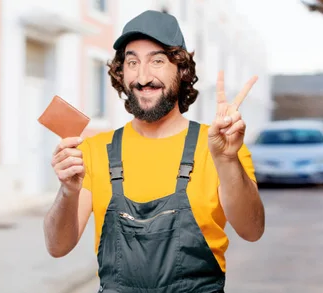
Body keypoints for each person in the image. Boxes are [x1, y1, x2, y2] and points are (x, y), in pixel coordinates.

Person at [43, 10, 265, 293]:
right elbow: (57, 247)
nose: (143, 76)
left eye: (157, 61)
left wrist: (227, 160)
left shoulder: (220, 147)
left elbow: (252, 230)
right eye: (132, 62)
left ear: (182, 71)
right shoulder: (95, 150)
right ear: (121, 74)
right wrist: (67, 192)